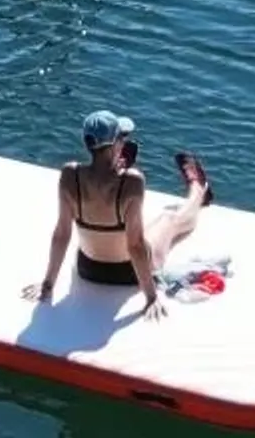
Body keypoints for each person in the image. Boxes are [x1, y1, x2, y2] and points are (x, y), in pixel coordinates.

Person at [33, 110, 214, 318]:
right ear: (116, 143)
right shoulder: (134, 181)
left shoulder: (69, 175)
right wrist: (151, 297)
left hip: (88, 268)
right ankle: (199, 190)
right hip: (128, 273)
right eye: (122, 137)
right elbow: (135, 245)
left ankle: (117, 168)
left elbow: (62, 234)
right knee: (169, 219)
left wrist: (48, 284)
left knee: (114, 221)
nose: (125, 140)